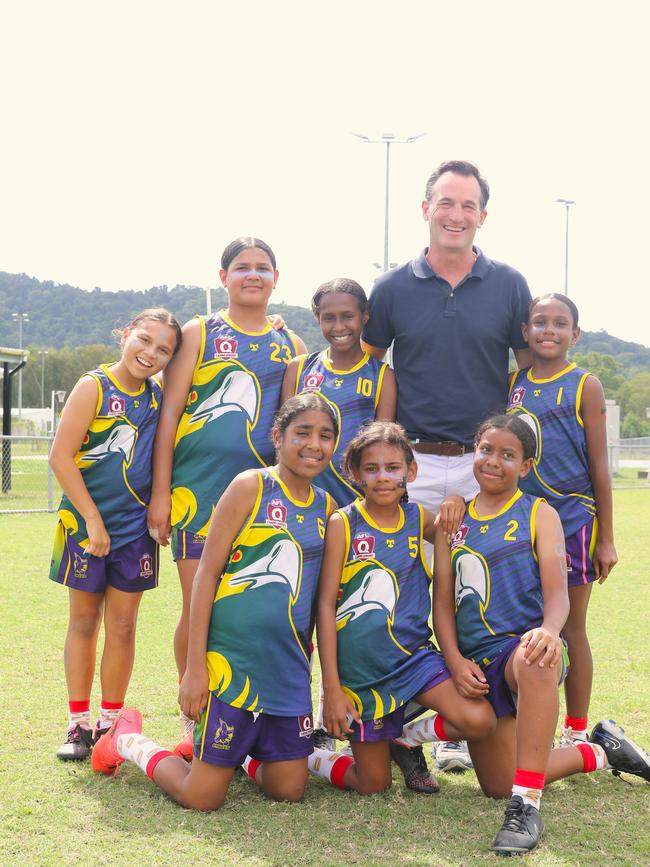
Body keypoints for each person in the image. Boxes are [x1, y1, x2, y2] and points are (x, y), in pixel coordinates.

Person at [361, 159, 533, 773]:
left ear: (483, 215)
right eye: (445, 202)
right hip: (409, 464)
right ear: (425, 208)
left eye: (468, 205)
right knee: (392, 584)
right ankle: (376, 713)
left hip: (481, 466)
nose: (456, 214)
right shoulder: (390, 288)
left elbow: (526, 375)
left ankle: (457, 723)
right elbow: (371, 368)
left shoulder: (511, 285)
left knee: (469, 590)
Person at [92, 394, 338, 810]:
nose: (314, 444)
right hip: (231, 663)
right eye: (303, 432)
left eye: (326, 436)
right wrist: (194, 669)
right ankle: (125, 738)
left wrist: (328, 685)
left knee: (289, 790)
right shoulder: (251, 487)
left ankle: (241, 749)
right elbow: (206, 575)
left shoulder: (328, 509)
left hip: (288, 667)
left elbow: (321, 605)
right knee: (200, 798)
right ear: (277, 436)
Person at [433, 415, 650, 855]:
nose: (494, 461)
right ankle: (604, 750)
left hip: (524, 651)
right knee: (497, 782)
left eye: (508, 455)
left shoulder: (539, 513)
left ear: (526, 466)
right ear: (474, 452)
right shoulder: (451, 520)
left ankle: (526, 806)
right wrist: (454, 660)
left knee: (537, 655)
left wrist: (551, 631)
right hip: (477, 665)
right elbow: (442, 606)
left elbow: (557, 593)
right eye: (487, 450)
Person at [146, 237, 306, 734]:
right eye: (242, 267)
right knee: (199, 606)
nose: (252, 275)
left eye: (263, 268)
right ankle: (194, 710)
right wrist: (160, 492)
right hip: (197, 494)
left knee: (244, 608)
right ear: (223, 277)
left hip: (258, 501)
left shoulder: (291, 345)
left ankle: (246, 708)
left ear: (276, 279)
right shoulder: (200, 331)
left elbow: (292, 428)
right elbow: (170, 414)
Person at [310, 421, 496, 797]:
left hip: (413, 660)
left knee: (478, 718)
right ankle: (305, 756)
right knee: (373, 784)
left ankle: (406, 738)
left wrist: (457, 502)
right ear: (355, 473)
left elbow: (458, 529)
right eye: (371, 468)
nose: (382, 477)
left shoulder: (418, 521)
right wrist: (332, 687)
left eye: (393, 468)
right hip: (360, 674)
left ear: (411, 472)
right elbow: (325, 607)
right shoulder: (343, 523)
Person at [49, 308, 182, 760]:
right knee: (84, 622)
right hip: (84, 526)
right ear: (125, 335)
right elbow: (61, 457)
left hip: (135, 530)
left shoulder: (157, 397)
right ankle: (77, 725)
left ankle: (109, 723)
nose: (150, 353)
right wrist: (91, 518)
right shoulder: (94, 386)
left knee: (123, 626)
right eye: (144, 340)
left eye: (163, 349)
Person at [507, 294, 617, 746]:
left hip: (574, 520)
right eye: (539, 322)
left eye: (559, 323)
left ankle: (575, 731)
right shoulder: (514, 382)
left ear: (575, 333)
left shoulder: (584, 383)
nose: (548, 330)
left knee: (570, 627)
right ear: (526, 332)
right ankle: (519, 725)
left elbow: (599, 463)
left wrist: (606, 537)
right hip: (526, 524)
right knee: (524, 624)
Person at [282, 277, 396, 506]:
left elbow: (382, 448)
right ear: (318, 319)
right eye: (328, 318)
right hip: (300, 498)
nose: (339, 327)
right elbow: (284, 440)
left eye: (347, 316)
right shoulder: (299, 368)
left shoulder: (382, 376)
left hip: (353, 502)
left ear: (364, 316)